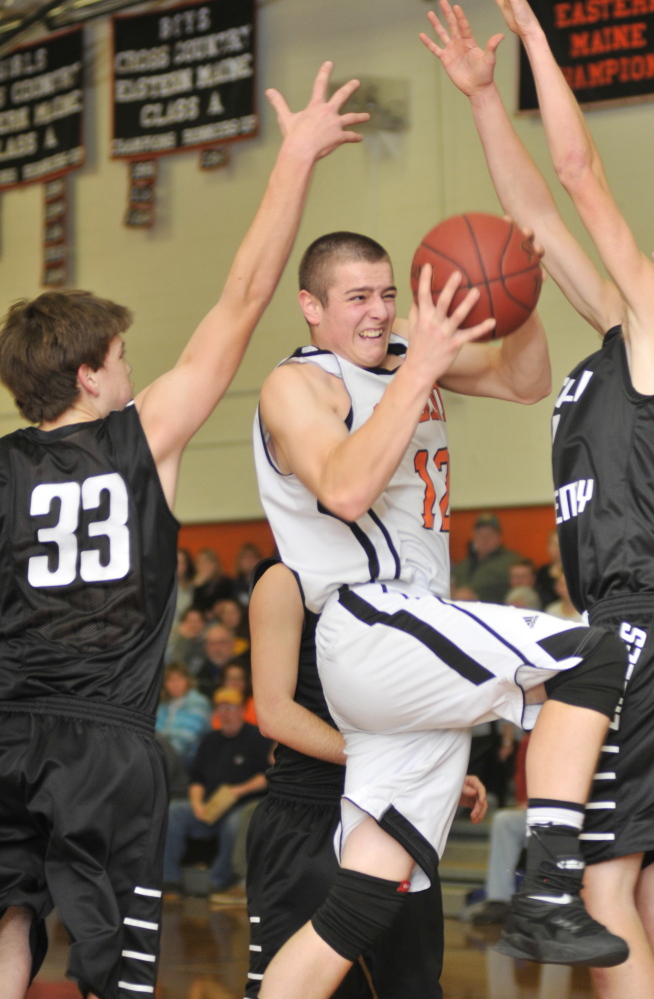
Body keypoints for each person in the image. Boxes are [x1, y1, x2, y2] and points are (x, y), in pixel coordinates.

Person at [0, 63, 369, 999]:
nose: (131, 371)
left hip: (4, 727)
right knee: (113, 964)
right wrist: (292, 159)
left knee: (7, 916)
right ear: (89, 375)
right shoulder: (141, 434)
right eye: (121, 357)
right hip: (105, 741)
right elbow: (241, 303)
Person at [252, 221, 628, 998]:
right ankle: (548, 888)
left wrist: (516, 294)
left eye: (389, 294)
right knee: (590, 654)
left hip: (407, 646)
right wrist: (420, 363)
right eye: (357, 297)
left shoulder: (402, 361)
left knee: (356, 905)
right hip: (366, 622)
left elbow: (525, 382)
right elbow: (346, 489)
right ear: (310, 307)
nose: (379, 312)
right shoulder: (300, 384)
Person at [423, 0, 654, 993]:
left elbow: (577, 176)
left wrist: (537, 48)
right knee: (634, 889)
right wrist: (482, 101)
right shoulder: (617, 331)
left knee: (601, 888)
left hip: (636, 620)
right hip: (621, 613)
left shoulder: (650, 325)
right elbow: (538, 224)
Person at [246, 557, 487, 999]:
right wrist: (388, 762)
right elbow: (275, 714)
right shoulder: (285, 580)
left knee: (412, 985)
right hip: (307, 815)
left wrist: (437, 766)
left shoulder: (403, 582)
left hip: (393, 813)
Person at [162, 688, 270, 901]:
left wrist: (239, 790)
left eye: (231, 708)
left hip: (244, 804)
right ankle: (170, 881)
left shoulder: (258, 738)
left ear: (241, 711)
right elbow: (197, 780)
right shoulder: (210, 740)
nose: (226, 713)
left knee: (235, 823)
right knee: (174, 811)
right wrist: (197, 804)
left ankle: (219, 883)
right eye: (221, 708)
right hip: (211, 806)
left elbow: (268, 775)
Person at [451, 512, 522, 603]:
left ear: (499, 537)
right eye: (480, 534)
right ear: (473, 537)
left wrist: (476, 596)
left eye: (489, 535)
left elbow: (520, 593)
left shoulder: (512, 562)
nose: (485, 539)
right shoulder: (462, 565)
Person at [156, 662, 212, 767]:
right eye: (170, 680)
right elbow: (155, 733)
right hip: (165, 755)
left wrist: (160, 755)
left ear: (188, 680)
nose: (175, 684)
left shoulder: (199, 703)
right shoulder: (163, 704)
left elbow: (187, 738)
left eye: (179, 679)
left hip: (191, 759)